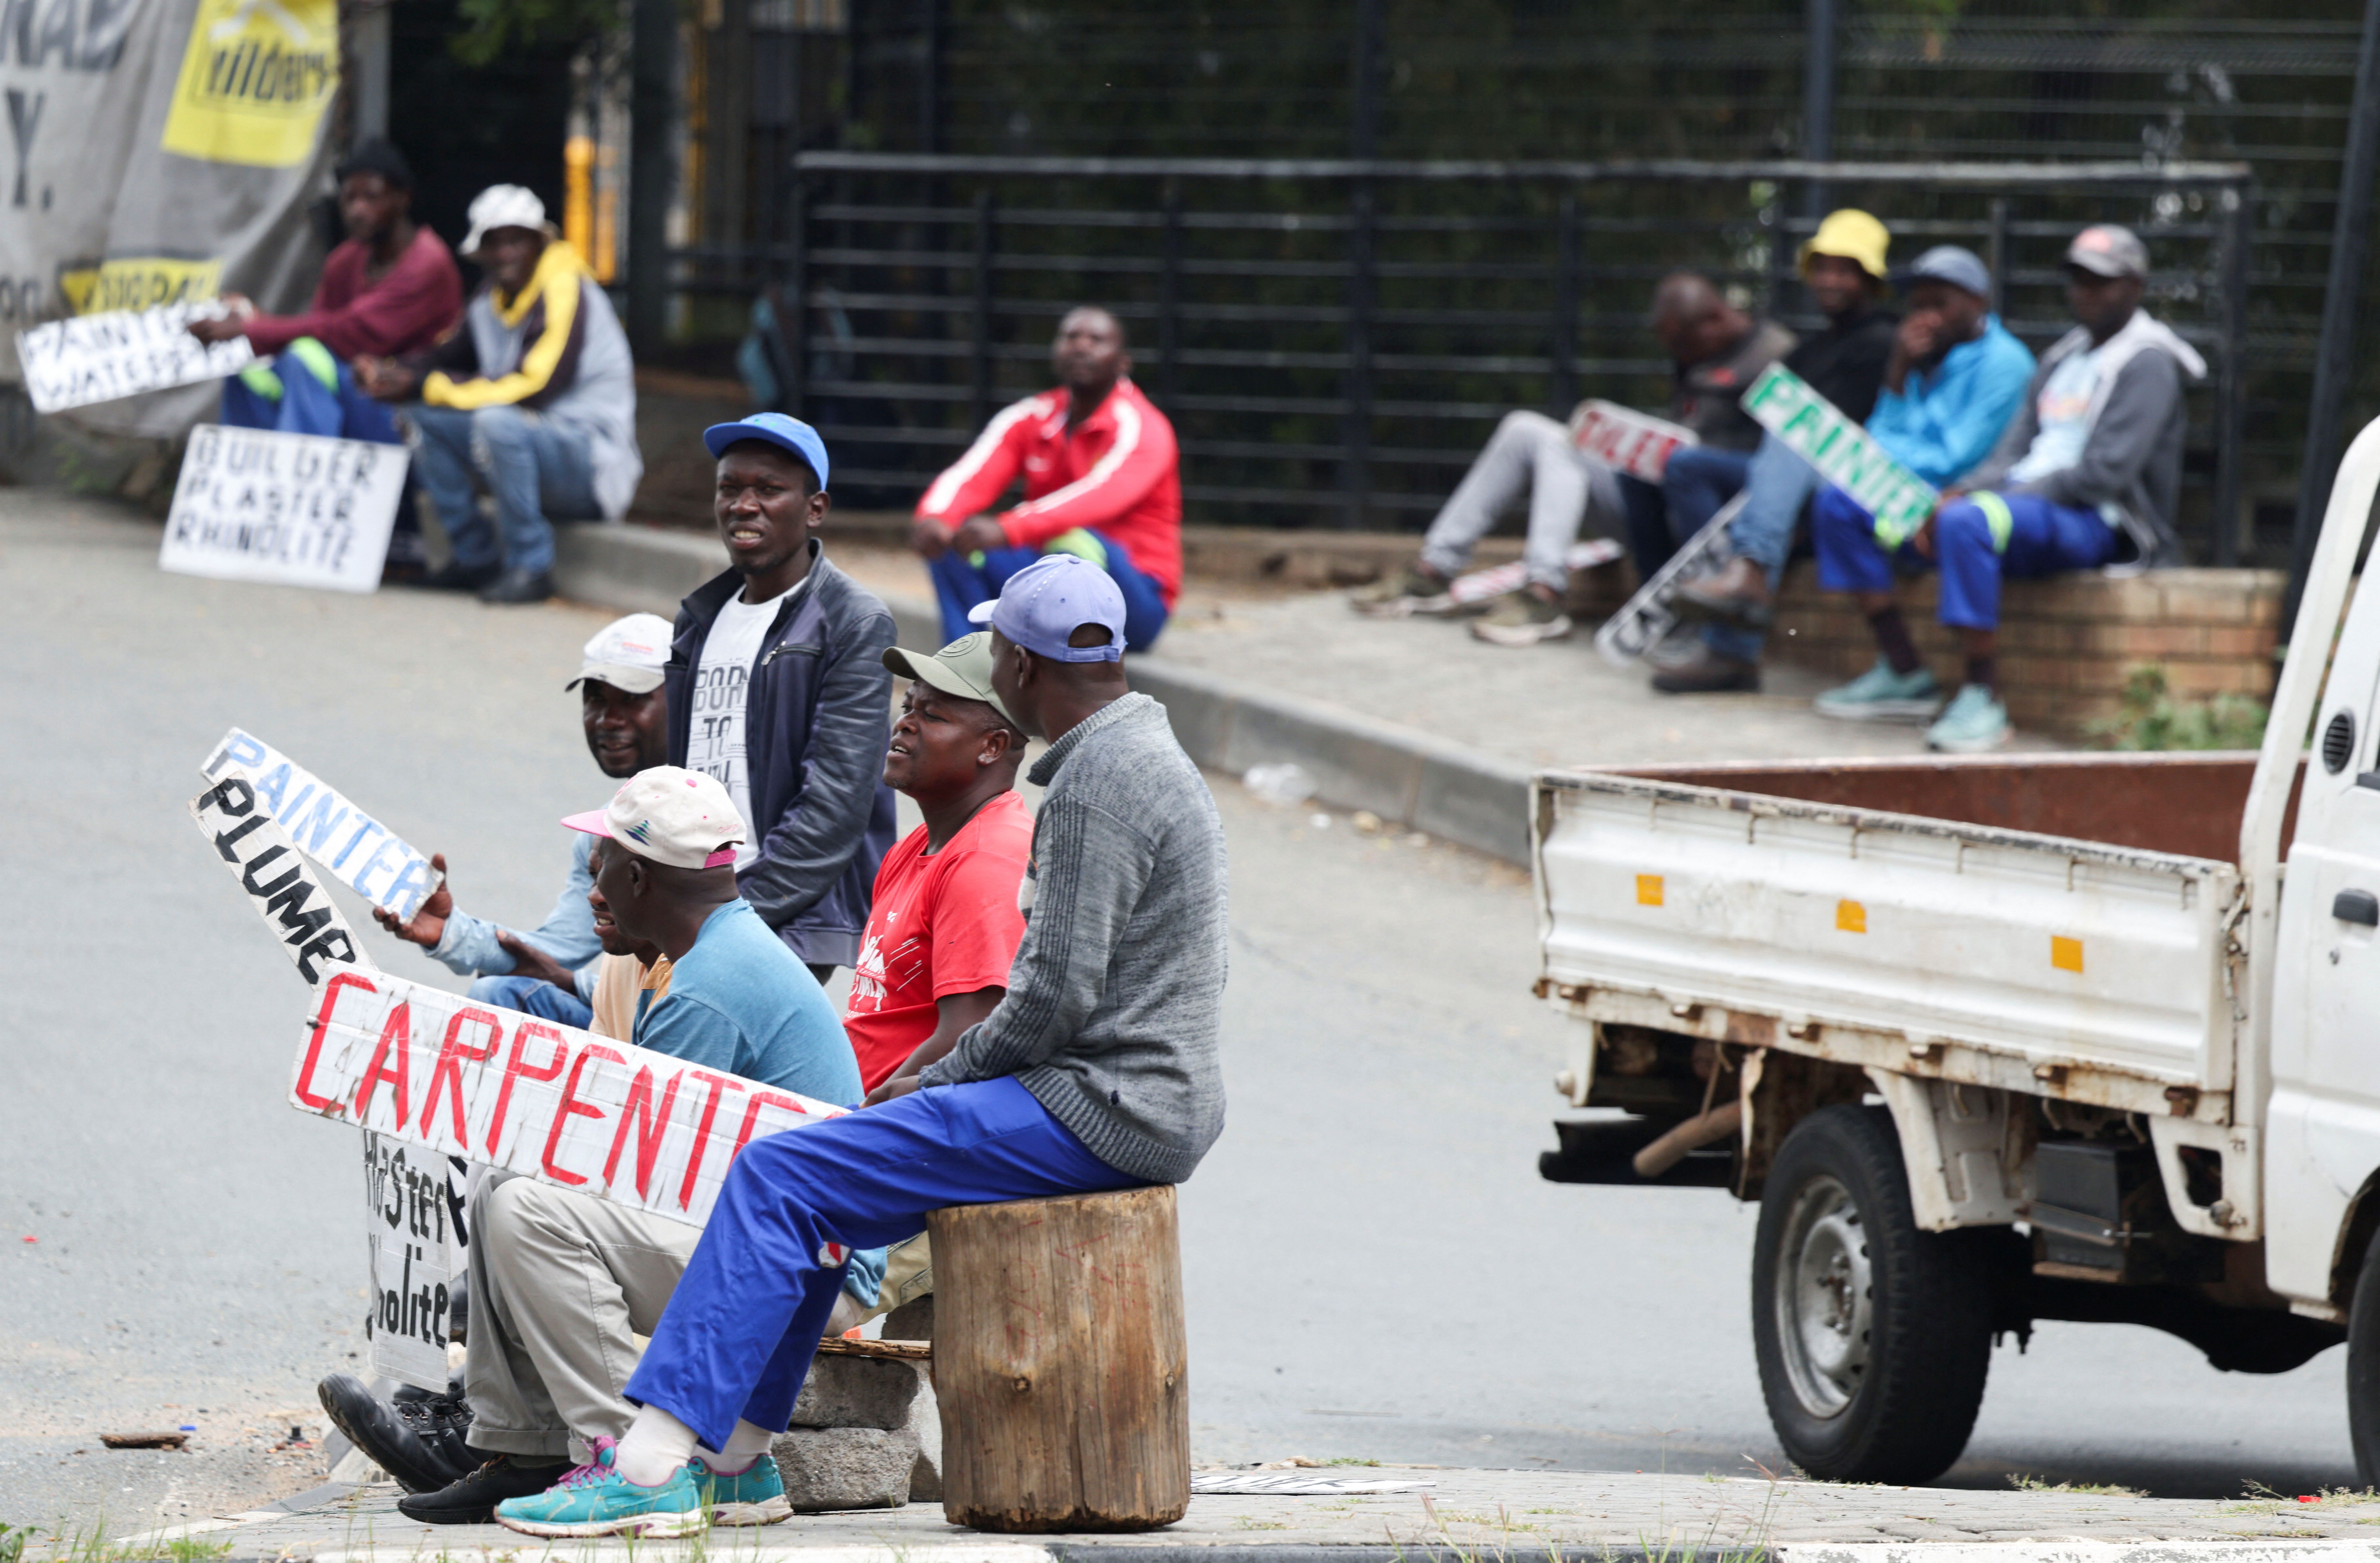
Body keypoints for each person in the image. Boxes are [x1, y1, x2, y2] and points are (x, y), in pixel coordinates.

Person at [486, 557, 1228, 1539]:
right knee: (813, 1190)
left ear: (1015, 660)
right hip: (1126, 1094)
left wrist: (927, 1081)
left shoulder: (1096, 782)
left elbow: (1051, 999)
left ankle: (651, 1466)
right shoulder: (1142, 756)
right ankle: (738, 1463)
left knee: (780, 1171)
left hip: (1103, 1104)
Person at [349, 768, 877, 1526]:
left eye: (599, 865)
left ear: (636, 876)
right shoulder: (709, 952)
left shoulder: (707, 987)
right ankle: (535, 1449)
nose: (593, 884)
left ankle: (633, 1462)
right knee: (507, 1181)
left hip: (812, 1276)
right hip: (784, 1250)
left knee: (529, 1208)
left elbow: (635, 1179)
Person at [1811, 224, 2201, 753]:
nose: (2084, 292)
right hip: (2019, 508)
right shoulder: (2063, 357)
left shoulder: (2148, 361)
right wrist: (1957, 492)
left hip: (2097, 521)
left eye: (2100, 282)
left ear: (2134, 286)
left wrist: (1976, 502)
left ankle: (1983, 697)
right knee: (1847, 502)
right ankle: (1904, 668)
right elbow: (2009, 455)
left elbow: (2101, 476)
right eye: (2077, 280)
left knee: (1964, 520)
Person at [1659, 244, 2034, 695]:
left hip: (1944, 501)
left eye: (1941, 303)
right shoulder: (1925, 354)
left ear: (1978, 302)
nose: (1926, 316)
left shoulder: (2004, 363)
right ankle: (1900, 666)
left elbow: (1956, 458)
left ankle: (1749, 580)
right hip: (1890, 487)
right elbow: (1884, 429)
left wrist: (1872, 449)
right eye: (1918, 305)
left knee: (1797, 441)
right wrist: (1898, 369)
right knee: (1803, 461)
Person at [1351, 272, 1796, 646]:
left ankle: (1544, 593)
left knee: (1578, 450)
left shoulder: (1775, 355)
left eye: (1679, 343)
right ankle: (1434, 569)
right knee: (1528, 430)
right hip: (1653, 501)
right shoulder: (1699, 349)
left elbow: (1780, 468)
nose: (1675, 355)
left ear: (1713, 321)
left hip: (1714, 521)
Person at [670, 413, 897, 982]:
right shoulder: (698, 618)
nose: (743, 505)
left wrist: (739, 911)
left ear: (814, 508)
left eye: (768, 490)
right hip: (689, 902)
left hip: (786, 915)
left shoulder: (853, 620)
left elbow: (836, 802)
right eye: (730, 488)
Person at [372, 614, 676, 1029]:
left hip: (696, 1019)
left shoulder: (706, 819)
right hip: (637, 1010)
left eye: (632, 699)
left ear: (683, 696)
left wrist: (576, 984)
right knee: (495, 996)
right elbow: (558, 948)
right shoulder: (601, 832)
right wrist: (449, 931)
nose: (609, 719)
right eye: (597, 699)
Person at [1647, 210, 1899, 693]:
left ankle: (1742, 605)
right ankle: (1723, 598)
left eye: (1843, 269)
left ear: (1868, 279)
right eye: (1821, 267)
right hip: (1780, 482)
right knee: (1683, 466)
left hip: (1845, 488)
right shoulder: (1812, 348)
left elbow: (1842, 436)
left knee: (1796, 432)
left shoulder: (1885, 342)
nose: (1828, 280)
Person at [361, 185, 643, 605]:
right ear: (482, 252)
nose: (505, 253)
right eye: (494, 243)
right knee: (423, 417)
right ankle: (474, 558)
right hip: (533, 448)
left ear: (537, 243)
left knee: (497, 419)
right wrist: (392, 373)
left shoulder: (565, 287)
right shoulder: (491, 299)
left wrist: (424, 384)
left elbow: (534, 387)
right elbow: (444, 356)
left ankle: (532, 565)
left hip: (593, 465)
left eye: (515, 240)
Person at [196, 140, 464, 574]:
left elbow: (346, 332)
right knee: (248, 369)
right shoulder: (345, 261)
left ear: (403, 199)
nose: (358, 209)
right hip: (357, 394)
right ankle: (242, 520)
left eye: (371, 197)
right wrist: (250, 323)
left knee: (304, 363)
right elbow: (323, 327)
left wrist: (254, 326)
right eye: (349, 198)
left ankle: (293, 521)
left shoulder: (427, 263)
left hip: (405, 413)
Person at [912, 306, 1181, 652]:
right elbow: (972, 474)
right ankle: (967, 671)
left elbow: (1096, 498)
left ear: (1122, 362)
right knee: (951, 542)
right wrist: (936, 517)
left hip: (1136, 599)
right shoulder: (1032, 416)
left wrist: (1011, 528)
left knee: (1075, 543)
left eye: (1096, 340)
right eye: (1070, 337)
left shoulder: (1143, 427)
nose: (1081, 347)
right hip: (1048, 571)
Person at [848, 632, 1032, 1094]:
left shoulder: (986, 860)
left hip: (895, 1128)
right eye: (908, 705)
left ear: (992, 745)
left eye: (932, 715)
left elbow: (970, 1035)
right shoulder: (915, 847)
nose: (905, 723)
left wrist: (852, 1128)